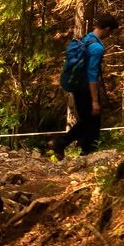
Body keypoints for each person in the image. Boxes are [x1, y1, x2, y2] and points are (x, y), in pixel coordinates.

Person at [51, 13, 119, 159]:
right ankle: (64, 143)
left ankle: (85, 151)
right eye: (111, 32)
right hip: (86, 88)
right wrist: (95, 100)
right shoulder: (96, 48)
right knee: (91, 121)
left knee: (90, 121)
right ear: (107, 29)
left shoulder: (84, 39)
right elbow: (92, 74)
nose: (110, 35)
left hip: (76, 85)